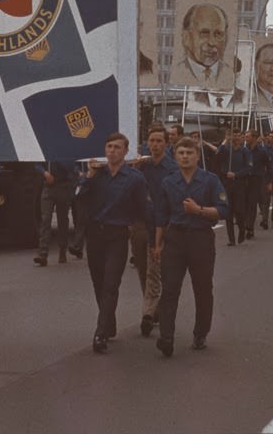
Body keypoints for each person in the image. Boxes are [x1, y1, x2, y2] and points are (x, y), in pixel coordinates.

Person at [153, 135, 228, 356]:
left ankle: (200, 333)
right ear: (175, 156)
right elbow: (161, 215)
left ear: (197, 156)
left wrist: (200, 211)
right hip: (175, 239)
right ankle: (166, 337)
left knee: (203, 289)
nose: (185, 157)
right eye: (181, 153)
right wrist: (157, 244)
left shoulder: (210, 180)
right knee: (169, 289)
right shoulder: (168, 181)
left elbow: (223, 210)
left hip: (200, 238)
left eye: (189, 153)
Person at [76, 132, 148, 353]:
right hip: (96, 234)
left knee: (110, 283)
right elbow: (78, 196)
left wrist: (154, 236)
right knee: (99, 282)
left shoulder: (135, 178)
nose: (112, 151)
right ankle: (109, 323)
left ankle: (100, 333)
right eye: (109, 147)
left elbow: (143, 209)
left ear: (126, 151)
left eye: (117, 147)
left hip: (118, 234)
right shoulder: (97, 175)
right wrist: (88, 175)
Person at [130, 124, 176, 337]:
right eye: (152, 141)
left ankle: (147, 314)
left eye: (159, 141)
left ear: (166, 144)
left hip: (162, 225)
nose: (155, 145)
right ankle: (153, 305)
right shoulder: (142, 166)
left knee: (154, 270)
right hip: (140, 222)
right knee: (141, 267)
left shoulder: (172, 168)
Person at [169, 3, 234, 88]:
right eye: (204, 33)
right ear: (186, 37)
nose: (212, 42)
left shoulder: (232, 75)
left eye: (218, 34)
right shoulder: (175, 74)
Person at [33, 159, 79, 266]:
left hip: (63, 186)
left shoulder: (66, 152)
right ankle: (43, 254)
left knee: (62, 221)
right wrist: (45, 173)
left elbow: (71, 167)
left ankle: (62, 249)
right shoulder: (46, 149)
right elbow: (37, 165)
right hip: (47, 187)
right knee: (45, 219)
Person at [216, 128, 251, 245]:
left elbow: (249, 168)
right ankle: (231, 239)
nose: (235, 137)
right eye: (233, 135)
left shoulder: (244, 151)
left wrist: (236, 174)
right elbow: (218, 154)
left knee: (239, 211)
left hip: (239, 184)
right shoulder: (226, 149)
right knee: (228, 212)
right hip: (226, 183)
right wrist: (225, 141)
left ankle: (242, 229)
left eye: (237, 135)